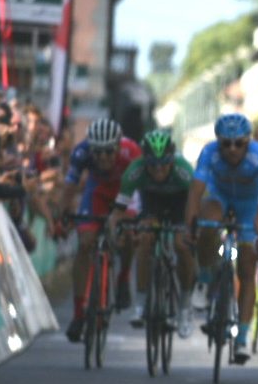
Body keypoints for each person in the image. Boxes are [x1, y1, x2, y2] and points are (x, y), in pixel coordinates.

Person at [184, 113, 258, 364]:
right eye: (226, 144)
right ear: (218, 142)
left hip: (249, 204)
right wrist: (192, 225)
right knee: (207, 221)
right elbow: (195, 192)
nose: (232, 149)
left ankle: (242, 337)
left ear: (248, 141)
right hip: (219, 197)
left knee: (247, 267)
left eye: (239, 143)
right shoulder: (209, 152)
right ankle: (204, 279)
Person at [106, 130, 197, 338]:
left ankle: (184, 306)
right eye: (152, 165)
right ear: (143, 160)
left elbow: (196, 205)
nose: (158, 170)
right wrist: (114, 232)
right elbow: (119, 210)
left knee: (181, 246)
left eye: (164, 164)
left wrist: (192, 231)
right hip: (152, 203)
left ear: (172, 159)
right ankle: (140, 303)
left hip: (180, 203)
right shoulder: (135, 171)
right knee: (145, 239)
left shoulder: (184, 171)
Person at [59, 118, 141, 343]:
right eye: (98, 152)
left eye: (108, 152)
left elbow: (142, 187)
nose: (103, 157)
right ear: (90, 147)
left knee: (129, 236)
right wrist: (63, 215)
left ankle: (123, 277)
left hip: (126, 193)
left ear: (118, 146)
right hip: (97, 192)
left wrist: (138, 217)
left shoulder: (131, 152)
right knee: (85, 243)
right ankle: (78, 314)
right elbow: (70, 186)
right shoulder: (81, 153)